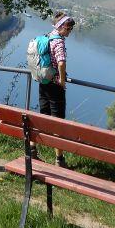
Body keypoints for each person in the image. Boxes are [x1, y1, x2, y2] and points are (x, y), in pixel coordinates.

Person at [32, 11, 75, 167]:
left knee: (43, 117)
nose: (70, 30)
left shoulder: (47, 37)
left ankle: (32, 150)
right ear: (60, 26)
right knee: (58, 122)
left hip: (43, 82)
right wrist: (62, 81)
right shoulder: (59, 42)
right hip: (55, 86)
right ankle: (59, 159)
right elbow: (61, 63)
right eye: (68, 28)